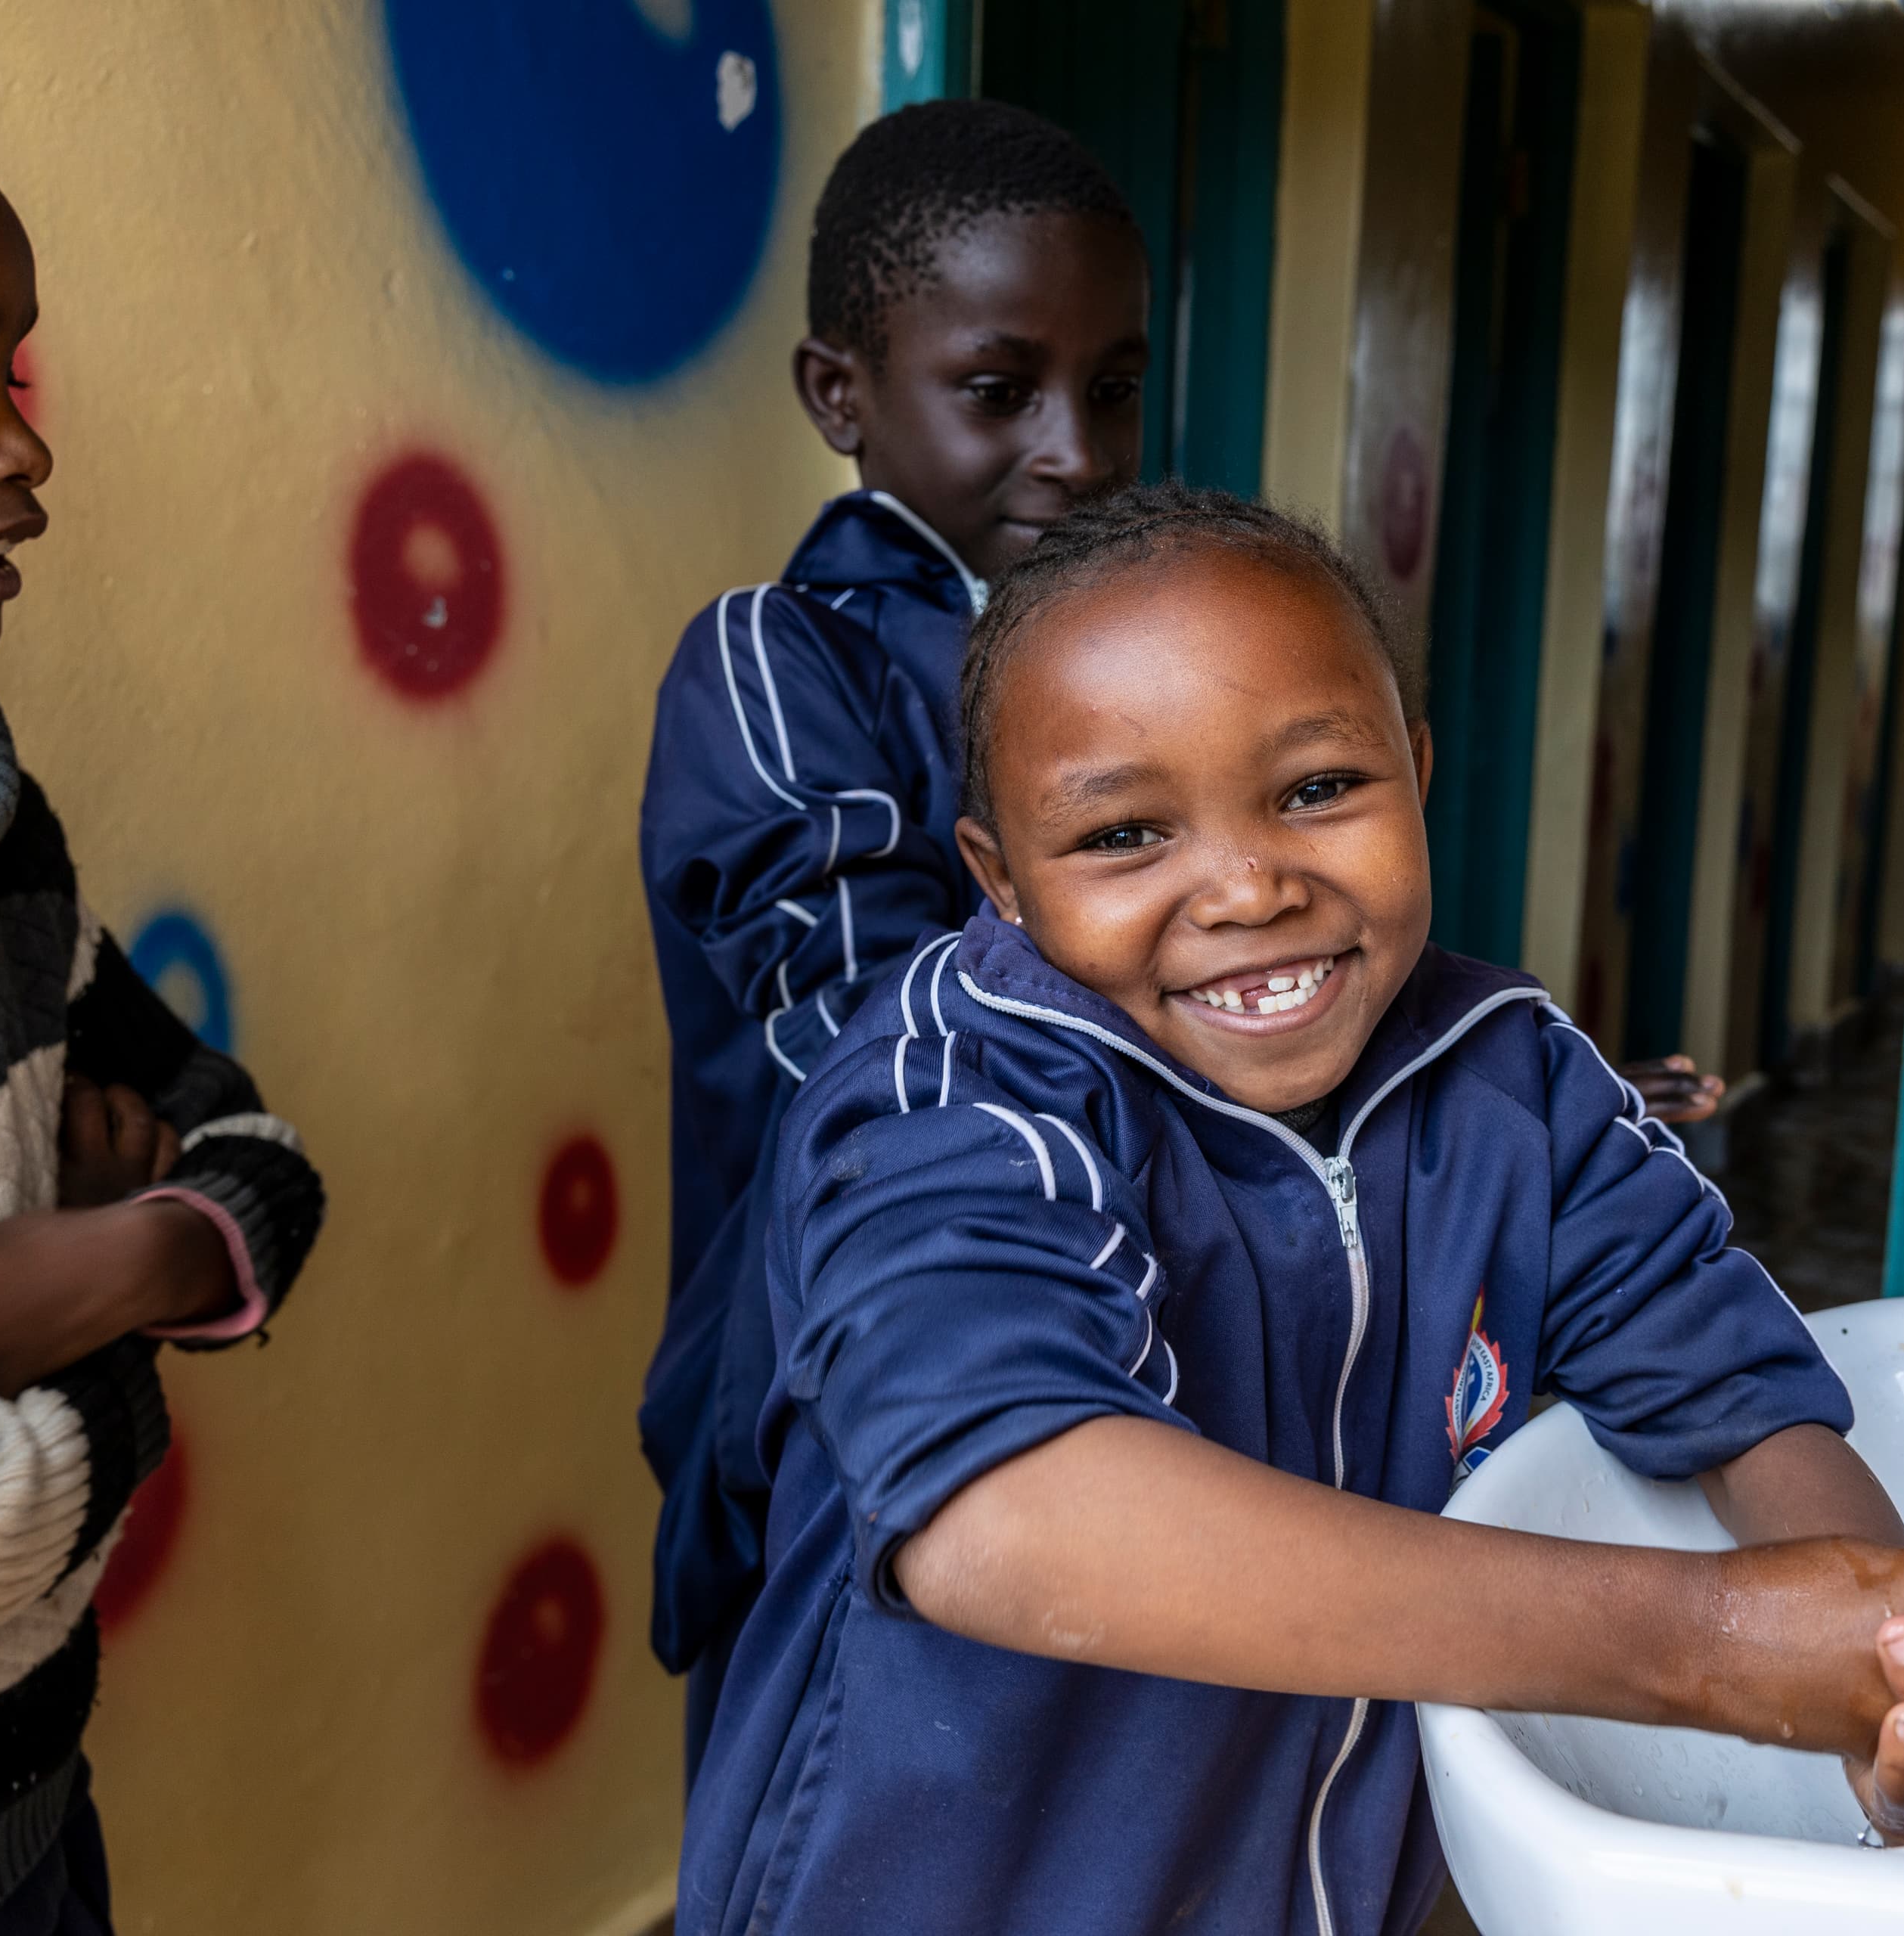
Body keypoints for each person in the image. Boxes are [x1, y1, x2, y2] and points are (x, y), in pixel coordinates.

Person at [678, 486, 1904, 1934]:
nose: (1249, 887)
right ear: (997, 879)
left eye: (1318, 791)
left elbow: (1739, 1396)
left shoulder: (1513, 1080)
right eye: (1125, 835)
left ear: (1414, 770)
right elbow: (1009, 1517)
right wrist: (1721, 1648)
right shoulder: (956, 1099)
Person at [0, 66, 326, 1936]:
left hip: (33, 1833)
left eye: (13, 379)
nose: (23, 448)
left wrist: (101, 1266)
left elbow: (258, 1149)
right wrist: (137, 1353)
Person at [636, 97, 1152, 1774]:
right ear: (840, 394)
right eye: (1002, 391)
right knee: (852, 1794)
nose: (1077, 447)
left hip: (1108, 1331)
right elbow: (881, 1047)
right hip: (847, 1372)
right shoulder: (779, 667)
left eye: (1115, 387)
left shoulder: (1120, 662)